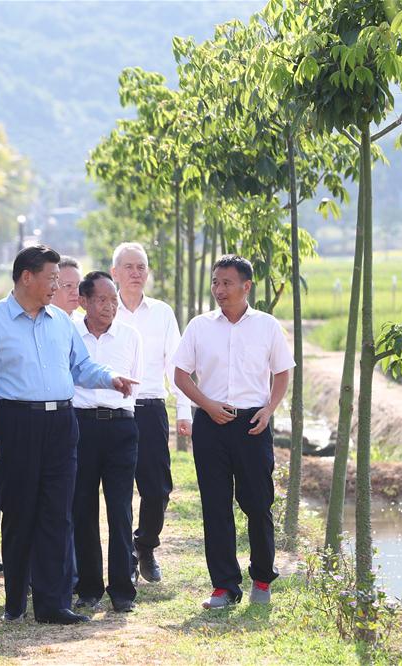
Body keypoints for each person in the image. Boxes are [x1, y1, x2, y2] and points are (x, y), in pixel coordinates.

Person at [0, 245, 138, 625]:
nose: (58, 287)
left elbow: (81, 365)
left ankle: (54, 603)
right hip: (15, 423)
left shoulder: (61, 322)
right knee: (19, 512)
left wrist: (110, 377)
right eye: (51, 279)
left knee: (58, 514)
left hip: (62, 423)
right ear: (27, 277)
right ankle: (15, 602)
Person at [172, 255, 294, 608]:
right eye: (215, 282)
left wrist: (269, 409)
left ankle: (262, 579)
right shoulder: (199, 326)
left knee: (258, 504)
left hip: (252, 424)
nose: (219, 290)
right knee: (215, 505)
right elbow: (181, 374)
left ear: (246, 286)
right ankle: (224, 586)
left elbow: (283, 371)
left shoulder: (267, 326)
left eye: (226, 283)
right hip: (211, 423)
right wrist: (207, 405)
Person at [111, 241, 191, 583]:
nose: (135, 273)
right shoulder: (101, 309)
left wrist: (184, 410)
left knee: (157, 488)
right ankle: (123, 556)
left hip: (151, 407)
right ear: (114, 272)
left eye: (141, 267)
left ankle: (145, 545)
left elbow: (176, 364)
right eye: (128, 267)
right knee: (117, 489)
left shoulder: (162, 312)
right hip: (112, 411)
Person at [71, 271, 143, 613]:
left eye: (114, 300)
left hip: (120, 428)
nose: (109, 307)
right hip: (81, 427)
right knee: (82, 508)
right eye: (102, 300)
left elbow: (137, 385)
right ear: (83, 301)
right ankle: (88, 587)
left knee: (120, 509)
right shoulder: (70, 334)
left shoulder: (130, 336)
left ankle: (122, 590)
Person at [53, 256, 83, 320]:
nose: (76, 293)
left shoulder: (85, 324)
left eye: (79, 285)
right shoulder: (37, 324)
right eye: (68, 285)